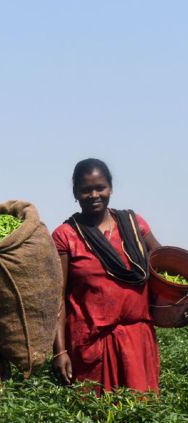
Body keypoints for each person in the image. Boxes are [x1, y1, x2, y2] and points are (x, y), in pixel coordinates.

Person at [51, 158, 161, 395]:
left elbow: (163, 266)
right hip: (92, 344)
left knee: (142, 418)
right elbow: (56, 299)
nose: (93, 195)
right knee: (97, 421)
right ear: (75, 193)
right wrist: (60, 352)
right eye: (85, 190)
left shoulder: (133, 225)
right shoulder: (66, 235)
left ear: (110, 187)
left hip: (137, 341)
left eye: (100, 187)